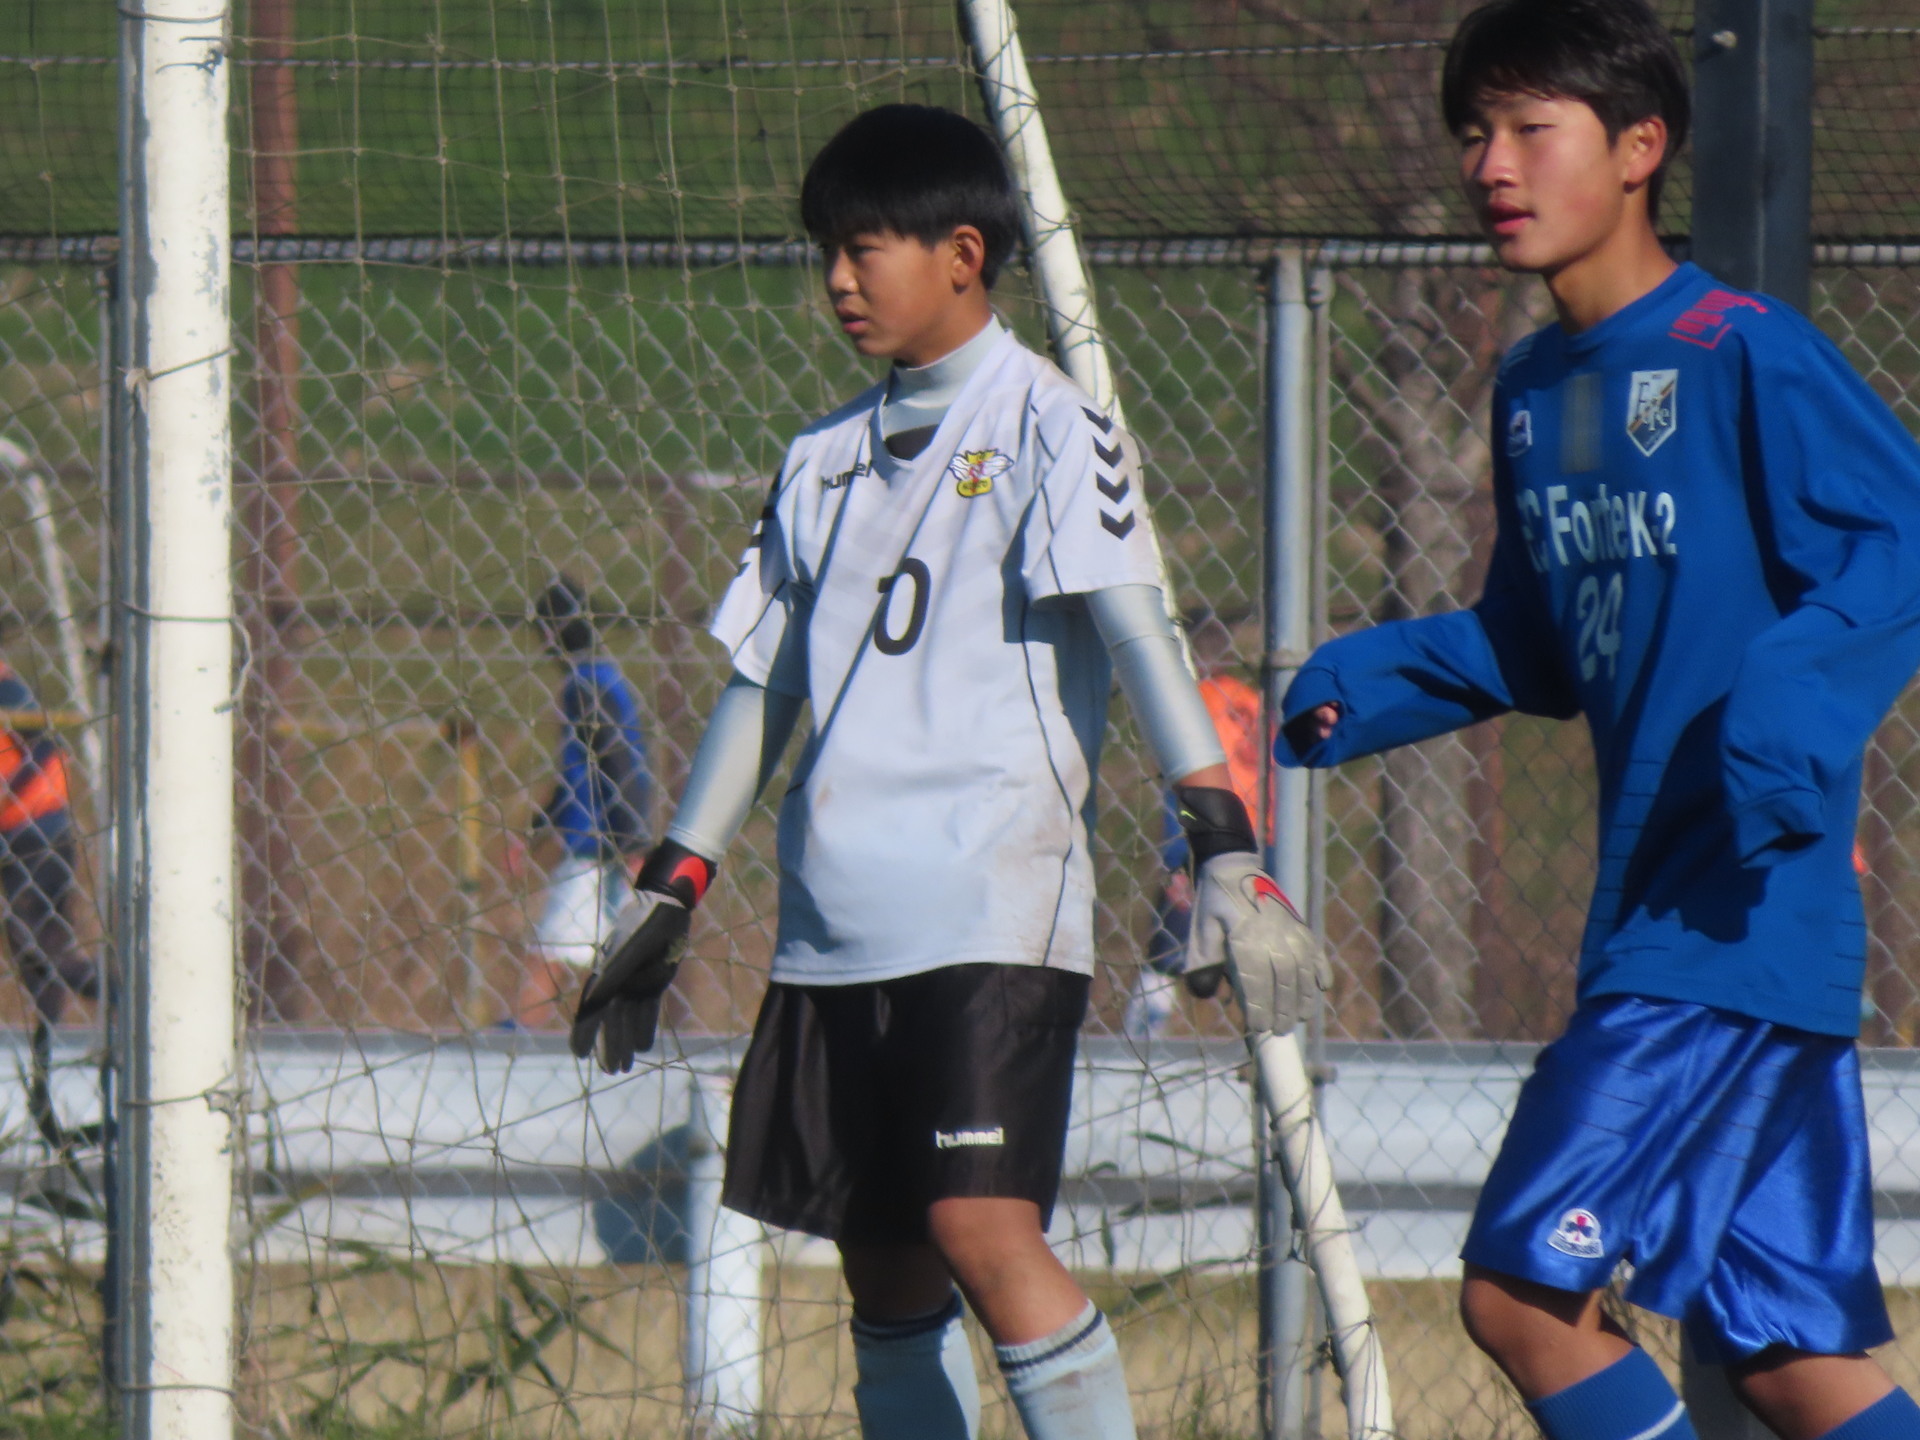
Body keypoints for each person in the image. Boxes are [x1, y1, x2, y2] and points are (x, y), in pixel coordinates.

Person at [566, 105, 1322, 1440]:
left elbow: (1139, 633)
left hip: (988, 910)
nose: (837, 283)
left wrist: (1225, 845)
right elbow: (764, 688)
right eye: (826, 255)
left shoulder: (1051, 424)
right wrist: (671, 886)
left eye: (863, 250)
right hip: (829, 931)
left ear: (964, 251)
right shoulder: (816, 464)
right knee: (885, 1271)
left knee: (981, 1229)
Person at [1276, 5, 1920, 1440]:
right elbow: (1538, 644)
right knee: (1786, 1357)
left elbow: (1904, 539)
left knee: (1518, 1296)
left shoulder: (1738, 348)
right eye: (1471, 133)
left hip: (1731, 919)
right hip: (1665, 919)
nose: (1488, 165)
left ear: (1642, 149)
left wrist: (1783, 705)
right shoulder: (1532, 388)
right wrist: (1362, 682)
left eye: (1528, 129)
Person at [515, 577, 653, 1028]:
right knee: (605, 954)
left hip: (596, 844)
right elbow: (577, 776)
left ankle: (512, 1039)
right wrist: (535, 832)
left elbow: (618, 763)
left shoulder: (587, 685)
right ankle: (595, 1035)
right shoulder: (598, 678)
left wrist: (631, 842)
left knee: (549, 952)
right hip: (604, 836)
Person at [1125, 612, 1267, 1041]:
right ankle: (1267, 1048)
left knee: (1167, 957)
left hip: (1204, 845)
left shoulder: (1192, 704)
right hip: (1262, 843)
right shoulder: (1251, 703)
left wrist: (1175, 862)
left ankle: (1141, 1043)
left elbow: (1181, 794)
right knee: (1254, 957)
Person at [0, 657, 94, 1024]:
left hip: (37, 829)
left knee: (41, 944)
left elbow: (43, 749)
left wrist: (7, 791)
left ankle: (124, 994)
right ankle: (47, 1043)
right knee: (31, 948)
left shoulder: (8, 688)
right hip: (17, 830)